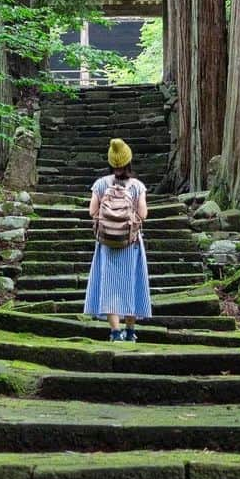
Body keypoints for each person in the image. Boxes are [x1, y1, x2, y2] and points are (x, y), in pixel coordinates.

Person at [83, 137, 152, 341]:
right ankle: (130, 332)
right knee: (131, 283)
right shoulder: (137, 186)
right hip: (130, 243)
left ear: (111, 162)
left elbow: (92, 211)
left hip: (106, 243)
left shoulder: (101, 184)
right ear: (128, 160)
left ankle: (115, 332)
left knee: (109, 285)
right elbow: (143, 214)